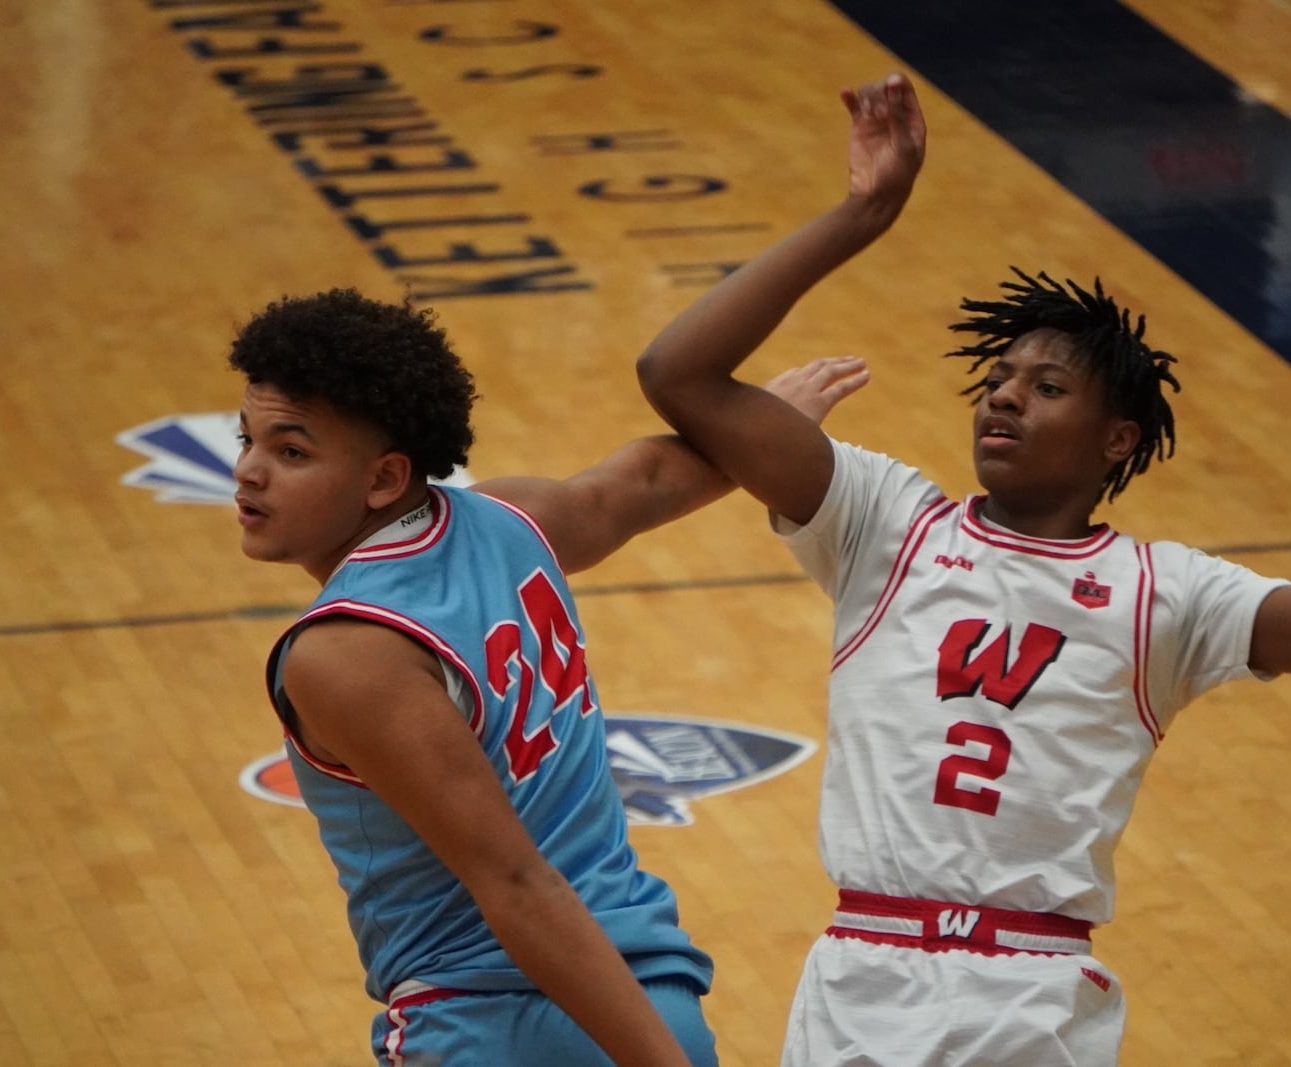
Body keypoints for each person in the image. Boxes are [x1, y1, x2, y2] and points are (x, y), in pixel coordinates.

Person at [634, 72, 1291, 1066]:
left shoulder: (1170, 594)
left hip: (1030, 999)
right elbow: (676, 372)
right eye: (994, 381)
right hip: (860, 978)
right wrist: (863, 213)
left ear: (1118, 438)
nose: (1003, 400)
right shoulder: (883, 521)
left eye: (1045, 386)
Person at [227, 287, 865, 1066]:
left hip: (496, 1023)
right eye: (247, 439)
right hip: (649, 997)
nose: (249, 472)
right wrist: (761, 425)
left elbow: (517, 884)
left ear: (385, 477)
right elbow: (638, 484)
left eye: (290, 452)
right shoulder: (506, 519)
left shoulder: (347, 652)